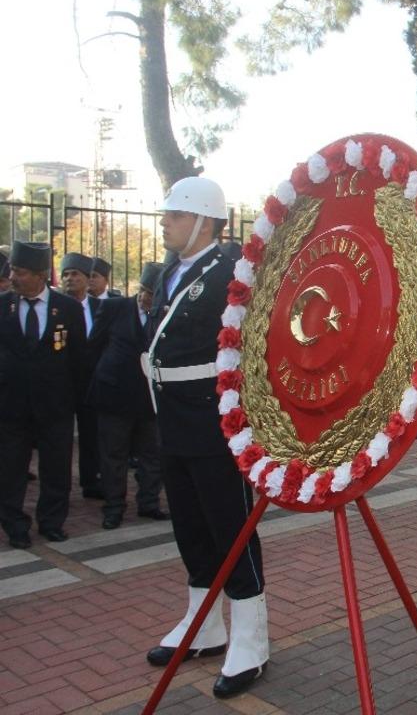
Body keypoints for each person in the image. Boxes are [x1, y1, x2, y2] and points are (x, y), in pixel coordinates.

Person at [144, 176, 269, 699]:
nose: (166, 221)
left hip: (214, 418)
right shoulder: (176, 271)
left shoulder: (231, 270)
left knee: (229, 526)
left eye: (175, 213)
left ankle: (252, 639)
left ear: (203, 220)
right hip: (172, 414)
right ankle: (204, 625)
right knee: (191, 527)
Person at [0, 241, 86, 548]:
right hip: (11, 407)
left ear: (39, 275)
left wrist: (75, 402)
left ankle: (51, 522)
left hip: (55, 407)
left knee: (56, 468)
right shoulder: (3, 307)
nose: (12, 277)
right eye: (12, 270)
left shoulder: (68, 309)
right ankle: (14, 525)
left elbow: (79, 360)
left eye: (20, 271)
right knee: (10, 470)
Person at [87, 262, 169, 530]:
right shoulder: (114, 308)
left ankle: (149, 503)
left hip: (149, 400)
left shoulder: (165, 315)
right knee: (114, 455)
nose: (146, 298)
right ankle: (114, 507)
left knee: (152, 454)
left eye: (153, 293)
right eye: (144, 291)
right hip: (114, 396)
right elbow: (94, 346)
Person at [60, 251, 104, 500]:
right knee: (61, 441)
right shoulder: (57, 307)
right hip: (63, 384)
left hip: (92, 383)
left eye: (75, 274)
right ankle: (61, 485)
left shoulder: (101, 307)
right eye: (65, 274)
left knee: (91, 435)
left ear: (87, 279)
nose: (69, 279)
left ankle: (91, 480)